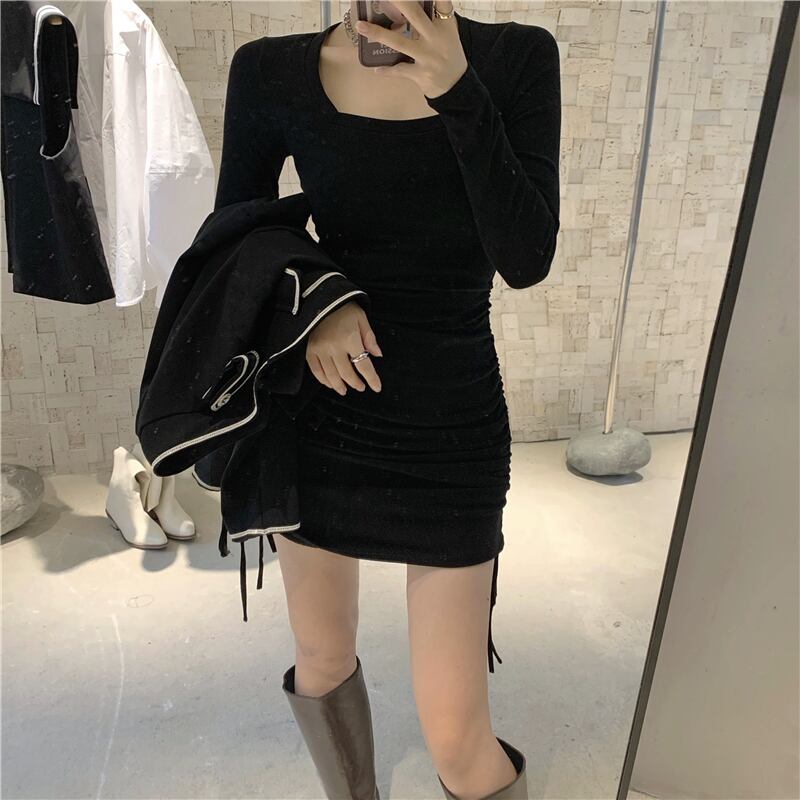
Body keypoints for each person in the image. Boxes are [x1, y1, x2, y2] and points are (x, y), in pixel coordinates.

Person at [214, 2, 561, 798]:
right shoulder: (271, 71)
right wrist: (317, 302)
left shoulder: (515, 60)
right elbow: (234, 237)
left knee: (456, 737)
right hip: (317, 411)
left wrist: (459, 90)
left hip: (450, 418)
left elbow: (526, 256)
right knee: (322, 657)